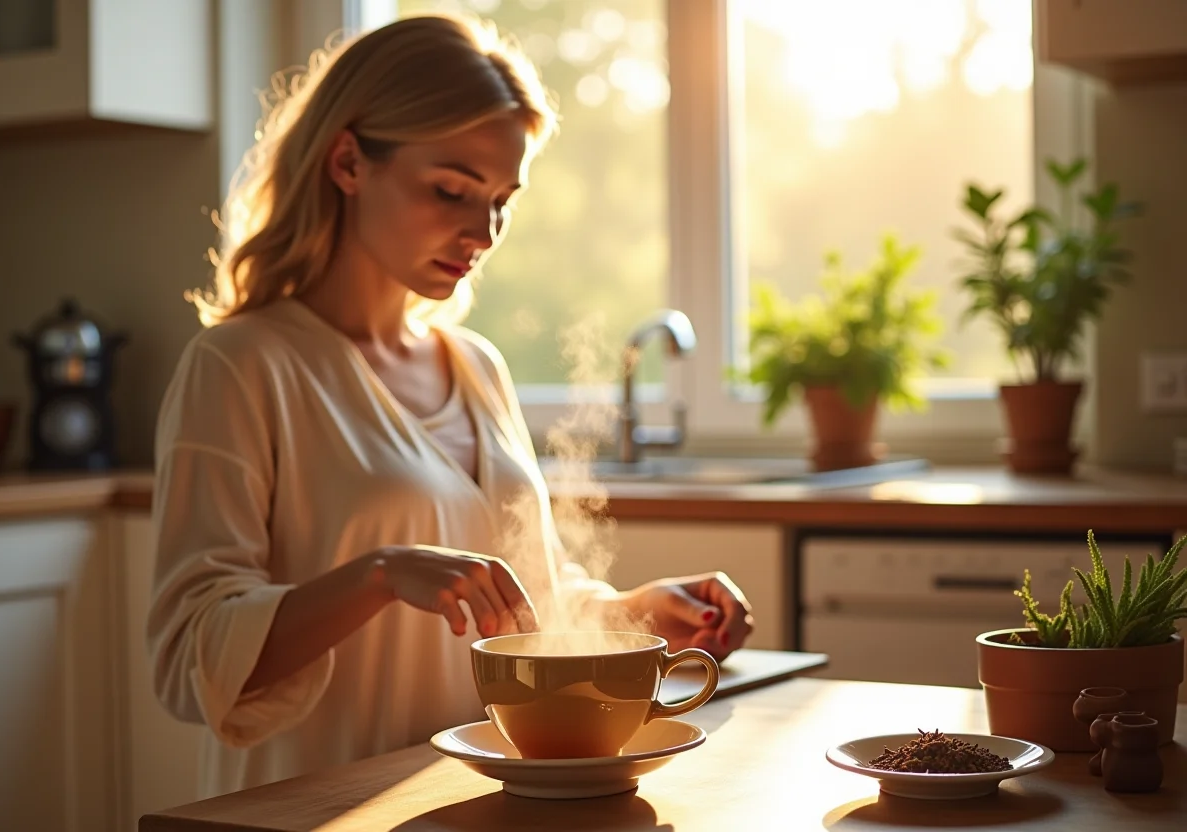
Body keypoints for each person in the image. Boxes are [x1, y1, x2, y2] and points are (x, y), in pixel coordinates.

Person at [147, 13, 754, 799]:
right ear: (347, 162)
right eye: (452, 190)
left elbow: (527, 596)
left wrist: (638, 611)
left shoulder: (475, 366)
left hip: (467, 804)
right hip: (313, 807)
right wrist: (376, 576)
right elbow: (187, 655)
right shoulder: (240, 366)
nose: (485, 231)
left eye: (502, 198)